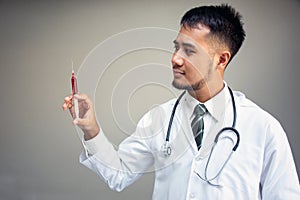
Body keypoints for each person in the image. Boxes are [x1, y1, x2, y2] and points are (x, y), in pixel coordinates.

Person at [62, 4, 300, 199]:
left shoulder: (263, 127)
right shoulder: (159, 119)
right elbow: (119, 174)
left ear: (221, 60)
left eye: (189, 51)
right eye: (176, 48)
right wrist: (91, 129)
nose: (175, 59)